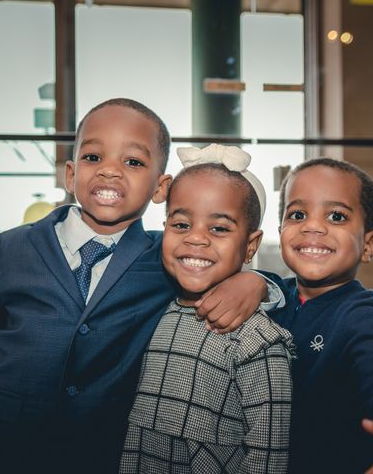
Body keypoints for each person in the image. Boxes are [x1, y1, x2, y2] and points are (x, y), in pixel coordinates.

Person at [0, 99, 281, 474]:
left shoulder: (164, 257)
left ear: (160, 187)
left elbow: (224, 266)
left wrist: (257, 281)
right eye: (93, 158)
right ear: (70, 175)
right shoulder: (13, 246)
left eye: (133, 162)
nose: (111, 172)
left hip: (92, 455)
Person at [120, 144, 294, 473]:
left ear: (250, 245)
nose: (196, 239)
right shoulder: (154, 309)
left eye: (219, 228)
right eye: (181, 225)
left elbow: (269, 452)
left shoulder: (259, 340)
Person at [270, 157, 373, 473]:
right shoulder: (272, 295)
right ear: (281, 232)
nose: (313, 226)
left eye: (336, 216)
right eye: (298, 214)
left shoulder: (360, 316)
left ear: (368, 245)